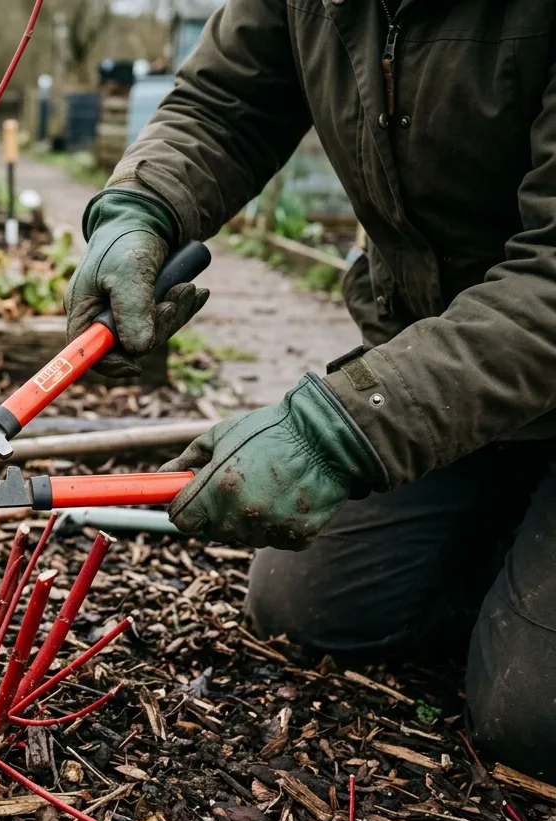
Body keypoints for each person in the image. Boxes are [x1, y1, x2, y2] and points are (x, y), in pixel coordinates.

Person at [64, 1, 556, 777]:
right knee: (309, 608)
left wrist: (341, 427)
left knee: (532, 719)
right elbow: (227, 102)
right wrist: (141, 207)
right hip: (458, 373)